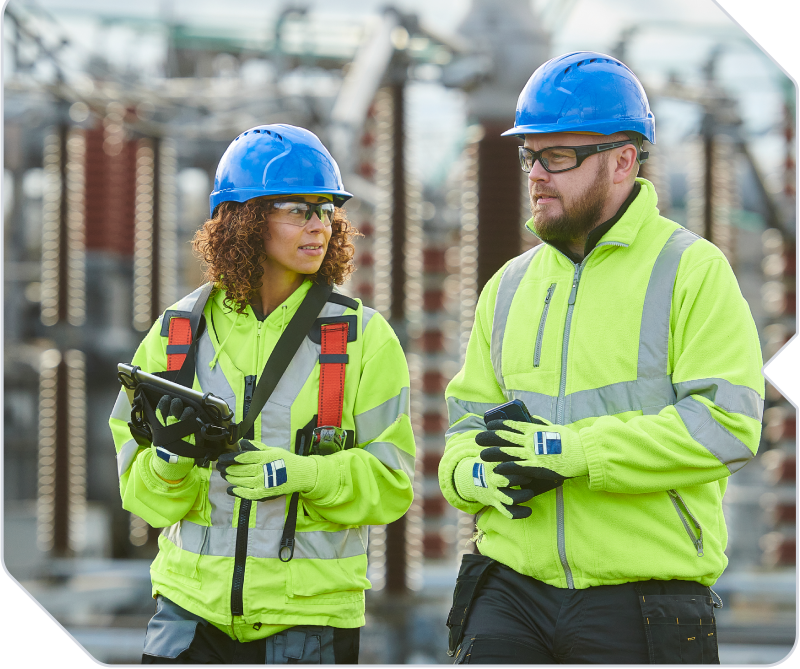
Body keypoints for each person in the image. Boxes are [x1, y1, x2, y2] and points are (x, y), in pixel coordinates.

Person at [438, 51, 764, 664]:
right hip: (508, 584)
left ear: (622, 160)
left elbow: (726, 426)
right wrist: (482, 476)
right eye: (529, 154)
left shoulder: (693, 271)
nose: (536, 174)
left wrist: (570, 454)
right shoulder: (509, 286)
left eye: (558, 156)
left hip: (641, 598)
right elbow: (461, 432)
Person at [109, 124, 416, 664]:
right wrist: (167, 460)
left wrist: (302, 474)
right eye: (298, 209)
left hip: (309, 622)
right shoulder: (177, 333)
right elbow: (145, 501)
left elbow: (392, 486)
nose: (319, 226)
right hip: (187, 616)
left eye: (326, 211)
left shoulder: (363, 337)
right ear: (246, 221)